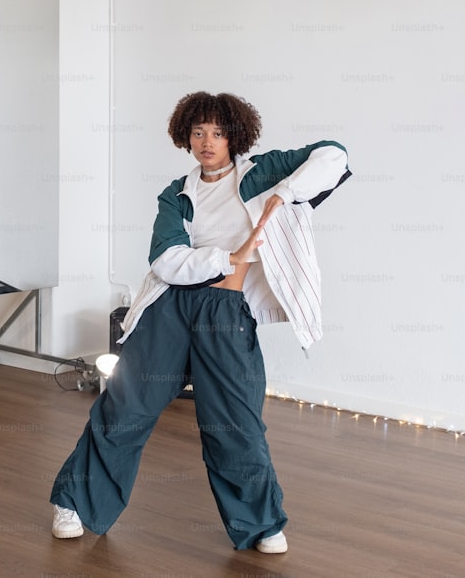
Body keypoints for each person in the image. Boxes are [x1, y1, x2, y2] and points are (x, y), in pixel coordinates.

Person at [49, 91, 351, 553]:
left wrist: (283, 196)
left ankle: (261, 523)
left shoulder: (264, 174)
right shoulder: (176, 194)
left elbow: (333, 154)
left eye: (218, 132)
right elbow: (167, 261)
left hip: (226, 314)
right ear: (185, 136)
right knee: (125, 409)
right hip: (170, 310)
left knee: (235, 423)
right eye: (198, 132)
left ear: (234, 136)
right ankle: (74, 501)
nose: (207, 141)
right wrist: (231, 256)